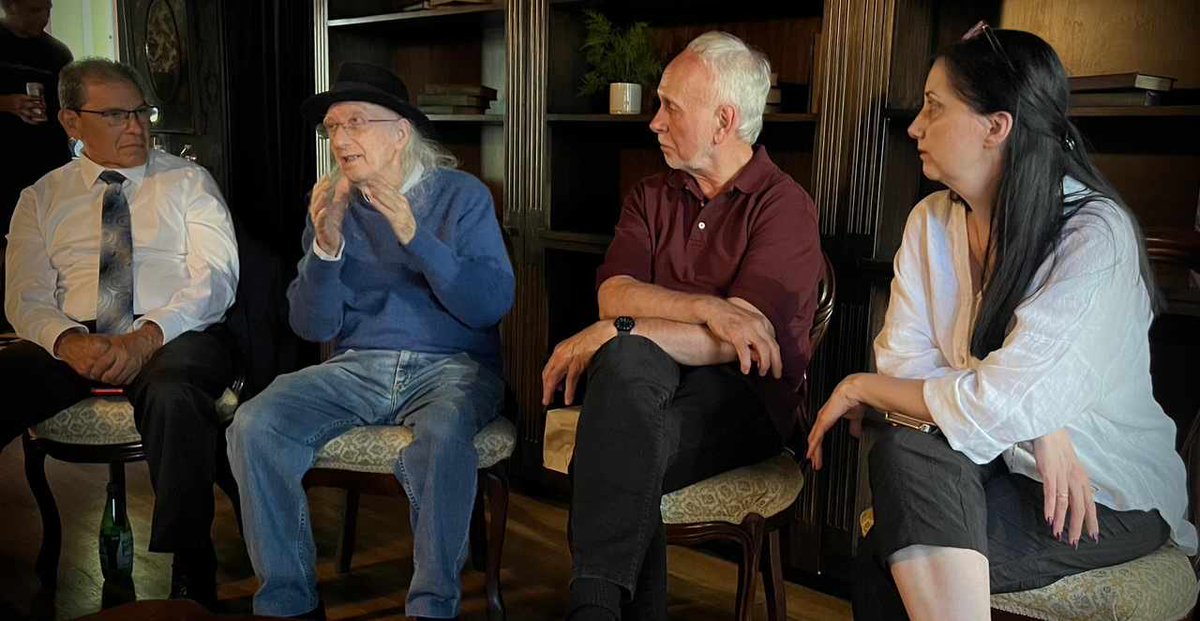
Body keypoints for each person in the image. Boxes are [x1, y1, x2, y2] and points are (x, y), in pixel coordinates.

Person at [805, 24, 1198, 620]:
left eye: (934, 108)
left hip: (1100, 492)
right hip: (989, 467)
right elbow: (914, 371)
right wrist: (1038, 426)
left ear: (996, 127)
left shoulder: (1094, 236)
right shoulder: (930, 222)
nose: (914, 127)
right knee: (903, 448)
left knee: (886, 550)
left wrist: (862, 386)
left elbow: (992, 401)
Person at [542, 32, 822, 621]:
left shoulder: (784, 205)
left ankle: (594, 607)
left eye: (670, 106)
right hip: (646, 384)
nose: (654, 122)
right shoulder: (650, 194)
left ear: (723, 121)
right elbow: (613, 294)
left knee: (617, 438)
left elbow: (744, 346)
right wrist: (706, 309)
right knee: (629, 370)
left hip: (746, 402)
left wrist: (620, 329)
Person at [226, 62, 514, 621]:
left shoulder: (462, 196)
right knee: (254, 424)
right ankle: (288, 604)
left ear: (400, 132)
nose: (340, 139)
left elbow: (487, 306)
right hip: (359, 366)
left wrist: (413, 234)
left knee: (443, 433)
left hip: (453, 366)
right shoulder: (332, 203)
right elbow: (313, 327)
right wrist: (325, 247)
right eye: (332, 127)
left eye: (355, 122)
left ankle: (432, 608)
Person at [3, 58, 239, 606]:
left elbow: (217, 277)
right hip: (73, 336)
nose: (135, 127)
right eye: (114, 115)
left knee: (176, 396)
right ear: (71, 121)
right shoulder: (40, 197)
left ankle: (191, 564)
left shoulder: (189, 182)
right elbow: (24, 295)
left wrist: (147, 336)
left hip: (174, 331)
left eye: (140, 112)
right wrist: (66, 341)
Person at [1, 0, 73, 330]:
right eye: (33, 10)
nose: (42, 18)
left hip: (47, 163)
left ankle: (53, 320)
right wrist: (7, 104)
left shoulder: (57, 53)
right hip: (4, 166)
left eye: (47, 9)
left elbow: (72, 104)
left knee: (50, 241)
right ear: (9, 6)